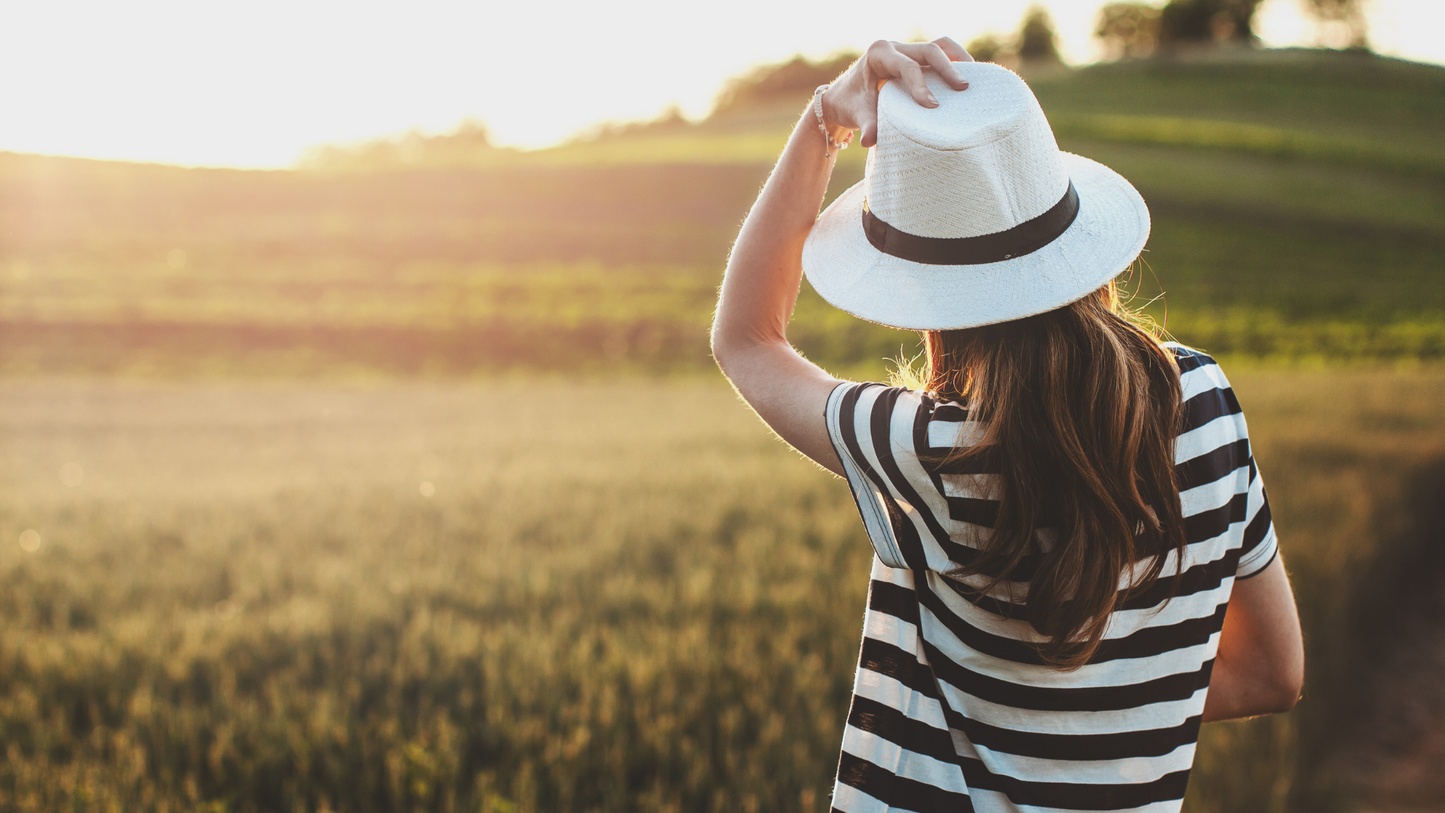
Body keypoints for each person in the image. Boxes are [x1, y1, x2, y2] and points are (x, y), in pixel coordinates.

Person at [711, 38, 1304, 813]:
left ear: (920, 293)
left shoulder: (931, 450)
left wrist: (824, 120)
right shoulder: (1205, 402)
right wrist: (1114, 718)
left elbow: (746, 336)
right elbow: (1272, 673)